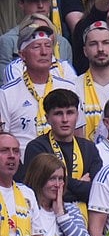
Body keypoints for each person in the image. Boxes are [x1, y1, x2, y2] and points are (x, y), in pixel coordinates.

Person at [21, 89, 102, 219]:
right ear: (47, 118)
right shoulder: (37, 148)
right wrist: (80, 185)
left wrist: (62, 184)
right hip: (47, 221)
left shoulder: (89, 148)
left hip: (86, 222)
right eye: (58, 114)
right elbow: (41, 191)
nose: (65, 119)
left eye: (70, 113)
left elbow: (96, 191)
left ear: (77, 115)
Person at [0, 23, 78, 154]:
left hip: (64, 166)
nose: (44, 52)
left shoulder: (68, 87)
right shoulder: (7, 93)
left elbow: (78, 132)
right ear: (22, 55)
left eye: (48, 46)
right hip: (25, 169)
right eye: (36, 47)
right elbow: (3, 140)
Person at [77, 20, 109, 141]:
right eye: (93, 44)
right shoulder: (73, 88)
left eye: (106, 43)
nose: (100, 49)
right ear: (85, 51)